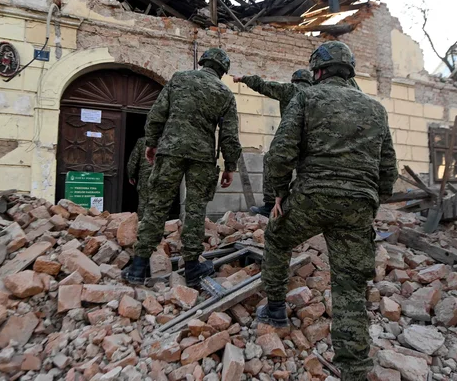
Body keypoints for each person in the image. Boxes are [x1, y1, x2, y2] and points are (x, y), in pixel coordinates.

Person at [256, 41, 398, 381]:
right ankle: (355, 369)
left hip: (312, 197)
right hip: (358, 206)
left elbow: (280, 153)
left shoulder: (306, 97)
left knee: (277, 238)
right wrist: (373, 200)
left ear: (317, 71)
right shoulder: (376, 109)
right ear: (348, 70)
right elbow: (388, 166)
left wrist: (277, 194)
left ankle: (275, 310)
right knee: (349, 285)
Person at [122, 48, 242, 287]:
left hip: (170, 150)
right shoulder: (225, 94)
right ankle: (193, 269)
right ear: (223, 71)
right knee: (196, 210)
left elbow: (157, 113)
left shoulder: (179, 79)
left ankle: (139, 266)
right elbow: (229, 135)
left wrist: (152, 142)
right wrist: (230, 166)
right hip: (202, 157)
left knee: (157, 204)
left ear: (203, 62)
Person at [232, 69, 313, 217]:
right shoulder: (317, 93)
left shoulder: (290, 90)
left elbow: (263, 85)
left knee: (271, 160)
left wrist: (242, 78)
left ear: (294, 81)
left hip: (293, 138)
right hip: (315, 143)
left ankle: (270, 205)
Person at [126, 136, 152, 219]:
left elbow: (133, 160)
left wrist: (131, 175)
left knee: (143, 201)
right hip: (162, 174)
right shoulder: (166, 140)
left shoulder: (142, 141)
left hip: (146, 174)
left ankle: (141, 224)